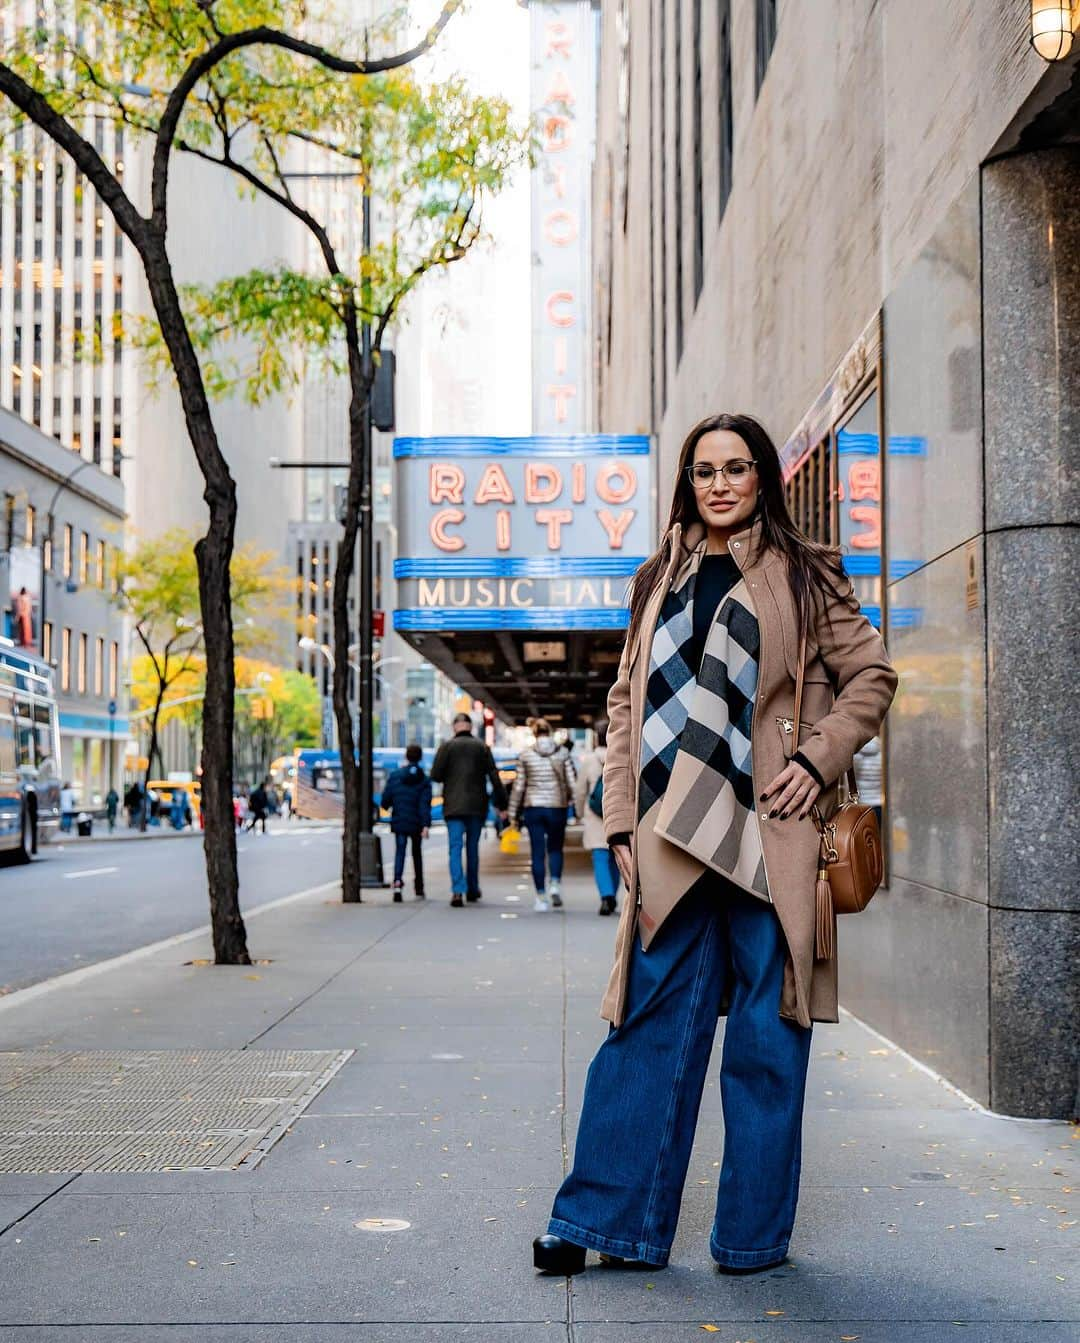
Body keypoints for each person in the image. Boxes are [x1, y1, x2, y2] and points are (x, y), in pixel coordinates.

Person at [533, 412, 897, 1277]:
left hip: (771, 833)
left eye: (736, 468)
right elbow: (625, 703)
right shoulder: (660, 572)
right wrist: (618, 819)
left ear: (763, 478)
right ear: (688, 482)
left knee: (769, 1042)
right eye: (704, 470)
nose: (720, 483)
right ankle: (604, 1223)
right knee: (644, 1028)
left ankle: (750, 1238)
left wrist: (817, 756)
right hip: (671, 831)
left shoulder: (806, 575)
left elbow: (873, 675)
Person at [431, 712, 508, 908]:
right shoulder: (482, 747)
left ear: (454, 727)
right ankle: (473, 889)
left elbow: (436, 775)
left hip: (453, 807)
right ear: (470, 727)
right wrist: (502, 804)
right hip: (476, 806)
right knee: (472, 849)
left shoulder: (446, 747)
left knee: (455, 848)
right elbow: (494, 777)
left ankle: (458, 890)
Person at [508, 719, 573, 912]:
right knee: (555, 848)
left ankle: (541, 897)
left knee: (537, 852)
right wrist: (575, 806)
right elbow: (572, 782)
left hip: (533, 807)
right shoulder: (563, 753)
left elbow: (519, 787)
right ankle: (554, 883)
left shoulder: (525, 755)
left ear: (534, 733)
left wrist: (512, 813)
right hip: (557, 807)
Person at [574, 719, 619, 916]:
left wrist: (578, 812)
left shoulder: (590, 760)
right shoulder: (621, 756)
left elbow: (580, 791)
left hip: (595, 816)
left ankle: (606, 896)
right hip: (617, 813)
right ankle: (613, 895)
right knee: (617, 856)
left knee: (600, 857)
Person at [381, 743, 432, 902]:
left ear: (406, 756)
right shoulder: (424, 779)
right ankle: (419, 887)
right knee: (416, 854)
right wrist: (425, 824)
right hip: (416, 822)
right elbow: (424, 804)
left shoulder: (395, 776)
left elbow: (385, 801)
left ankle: (397, 883)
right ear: (420, 757)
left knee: (400, 852)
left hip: (400, 820)